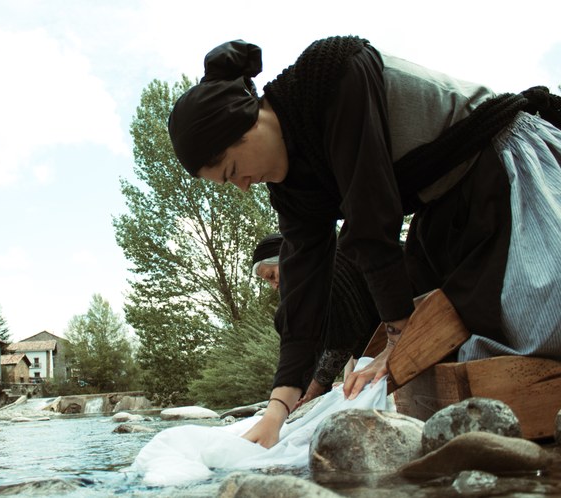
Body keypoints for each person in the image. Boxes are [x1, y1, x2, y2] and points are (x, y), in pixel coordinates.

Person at [168, 36, 561, 449]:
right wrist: (276, 413)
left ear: (248, 120)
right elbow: (303, 299)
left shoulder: (331, 74)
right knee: (459, 354)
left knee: (540, 319)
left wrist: (401, 339)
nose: (243, 186)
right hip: (445, 214)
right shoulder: (292, 191)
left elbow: (370, 218)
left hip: (504, 168)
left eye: (232, 170)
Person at [252, 233, 378, 402]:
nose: (274, 286)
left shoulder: (330, 270)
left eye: (272, 275)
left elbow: (342, 342)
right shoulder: (314, 281)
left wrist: (312, 393)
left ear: (288, 258)